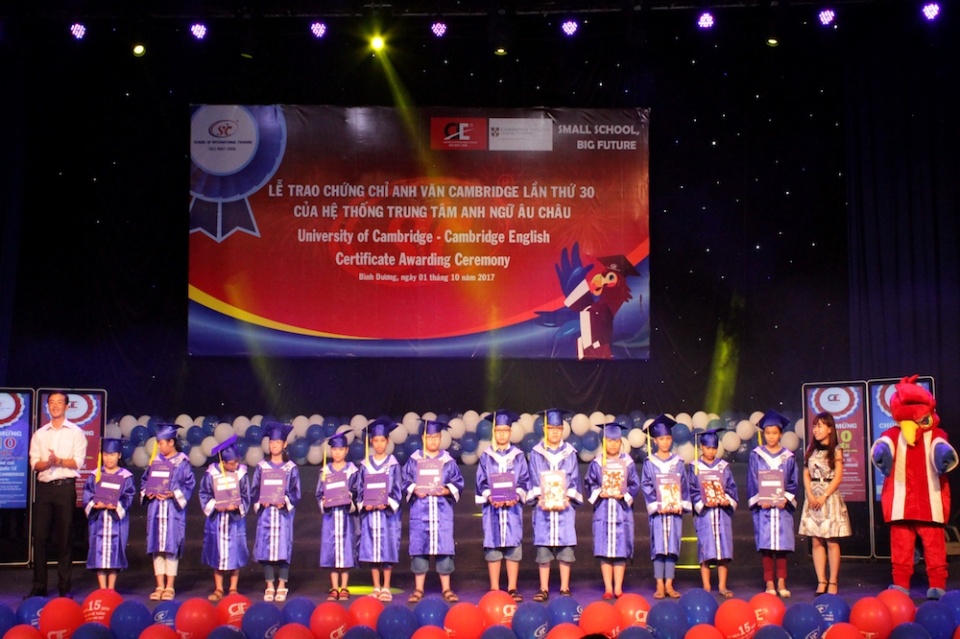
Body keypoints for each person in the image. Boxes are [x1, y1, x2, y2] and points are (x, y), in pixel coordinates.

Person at [871, 374, 957, 600]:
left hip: (929, 501)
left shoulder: (935, 434)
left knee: (934, 545)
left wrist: (943, 456)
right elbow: (883, 446)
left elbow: (941, 447)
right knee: (901, 545)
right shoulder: (893, 434)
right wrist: (881, 454)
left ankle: (937, 584)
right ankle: (901, 584)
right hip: (901, 502)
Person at [28, 390, 89, 598]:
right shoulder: (40, 434)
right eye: (51, 402)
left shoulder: (75, 432)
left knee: (64, 538)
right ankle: (39, 586)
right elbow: (35, 464)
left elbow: (78, 462)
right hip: (45, 489)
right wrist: (47, 463)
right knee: (40, 538)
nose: (55, 406)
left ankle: (64, 588)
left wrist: (59, 461)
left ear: (66, 406)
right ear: (48, 407)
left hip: (65, 488)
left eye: (59, 402)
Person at [403, 420, 465, 604]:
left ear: (440, 438)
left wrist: (446, 490)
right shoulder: (414, 460)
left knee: (444, 549)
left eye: (436, 437)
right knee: (419, 549)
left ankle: (446, 588)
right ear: (423, 438)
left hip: (441, 513)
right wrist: (415, 489)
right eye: (429, 437)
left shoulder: (448, 461)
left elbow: (458, 483)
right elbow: (405, 480)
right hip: (420, 512)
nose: (433, 440)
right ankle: (418, 589)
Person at [527, 409, 582, 602]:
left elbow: (574, 479)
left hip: (565, 509)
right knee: (543, 550)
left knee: (566, 549)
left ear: (563, 430)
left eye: (558, 428)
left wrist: (567, 497)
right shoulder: (537, 453)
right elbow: (533, 477)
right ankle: (543, 588)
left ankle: (564, 587)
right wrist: (541, 497)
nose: (555, 432)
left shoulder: (570, 453)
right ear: (545, 429)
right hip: (543, 508)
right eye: (551, 428)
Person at [475, 410, 530, 602]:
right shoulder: (486, 456)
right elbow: (481, 481)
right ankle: (495, 588)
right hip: (493, 509)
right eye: (498, 431)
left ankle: (512, 587)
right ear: (494, 432)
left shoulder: (518, 456)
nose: (502, 434)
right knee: (493, 546)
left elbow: (524, 479)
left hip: (513, 509)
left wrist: (517, 494)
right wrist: (490, 496)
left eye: (505, 431)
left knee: (513, 546)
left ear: (510, 432)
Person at [584, 423, 640, 599]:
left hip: (622, 511)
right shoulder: (597, 462)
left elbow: (634, 484)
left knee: (620, 549)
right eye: (609, 440)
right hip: (603, 509)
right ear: (604, 442)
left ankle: (618, 588)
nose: (613, 444)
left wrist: (624, 494)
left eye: (616, 441)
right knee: (604, 550)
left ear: (621, 442)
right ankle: (608, 588)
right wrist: (599, 492)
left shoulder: (628, 462)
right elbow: (589, 483)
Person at [747, 410, 799, 598]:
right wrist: (761, 499)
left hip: (782, 508)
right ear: (763, 434)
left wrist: (785, 498)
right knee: (767, 548)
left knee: (782, 547)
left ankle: (782, 583)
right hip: (764, 509)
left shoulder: (788, 456)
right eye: (767, 433)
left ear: (781, 434)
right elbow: (752, 479)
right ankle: (769, 583)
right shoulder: (756, 455)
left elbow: (793, 481)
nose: (771, 436)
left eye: (774, 433)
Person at [798, 412, 851, 595]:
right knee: (816, 540)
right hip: (813, 495)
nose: (816, 429)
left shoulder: (836, 449)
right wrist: (810, 494)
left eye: (820, 426)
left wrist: (824, 496)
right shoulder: (811, 449)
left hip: (829, 497)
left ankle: (833, 581)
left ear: (830, 429)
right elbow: (806, 473)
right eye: (815, 426)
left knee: (831, 541)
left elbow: (838, 477)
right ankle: (821, 580)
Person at [143, 424, 196, 601]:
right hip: (156, 509)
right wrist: (148, 493)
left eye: (161, 443)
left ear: (171, 442)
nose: (159, 446)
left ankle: (170, 586)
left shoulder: (182, 462)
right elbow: (145, 482)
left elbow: (189, 484)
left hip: (173, 511)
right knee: (157, 548)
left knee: (171, 547)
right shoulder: (155, 461)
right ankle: (159, 585)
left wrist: (174, 494)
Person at [640, 414, 690, 599]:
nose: (665, 442)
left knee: (672, 547)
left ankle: (669, 583)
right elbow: (646, 485)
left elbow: (683, 485)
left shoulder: (678, 462)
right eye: (661, 439)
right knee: (659, 547)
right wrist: (656, 505)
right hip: (658, 514)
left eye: (668, 438)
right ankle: (659, 584)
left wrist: (680, 504)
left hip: (674, 513)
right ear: (655, 440)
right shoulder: (649, 463)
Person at [251, 422, 301, 602]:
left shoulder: (291, 468)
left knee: (283, 549)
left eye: (278, 442)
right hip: (266, 514)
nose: (274, 445)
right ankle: (269, 585)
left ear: (284, 444)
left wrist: (285, 501)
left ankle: (282, 584)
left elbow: (296, 492)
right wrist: (260, 501)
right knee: (265, 549)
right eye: (272, 442)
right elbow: (254, 490)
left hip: (283, 516)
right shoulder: (261, 467)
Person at [688, 428, 738, 597]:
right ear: (701, 447)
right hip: (705, 516)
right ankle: (707, 586)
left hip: (722, 514)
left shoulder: (723, 467)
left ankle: (722, 586)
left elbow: (731, 488)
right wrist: (703, 502)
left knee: (723, 551)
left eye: (714, 448)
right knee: (706, 551)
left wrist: (727, 500)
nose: (711, 451)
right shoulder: (695, 467)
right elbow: (692, 489)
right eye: (708, 448)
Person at [358, 418, 403, 602]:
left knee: (387, 547)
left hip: (387, 516)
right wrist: (364, 503)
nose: (379, 444)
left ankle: (386, 586)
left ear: (387, 441)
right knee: (372, 550)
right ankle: (376, 586)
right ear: (371, 442)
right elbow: (360, 489)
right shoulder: (365, 465)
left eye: (382, 440)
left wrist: (388, 502)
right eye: (375, 441)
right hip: (370, 514)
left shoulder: (393, 464)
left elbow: (398, 489)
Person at [200, 436, 250, 601]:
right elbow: (204, 494)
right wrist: (216, 505)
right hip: (217, 521)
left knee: (235, 553)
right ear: (223, 462)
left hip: (234, 521)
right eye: (231, 463)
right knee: (217, 553)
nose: (235, 466)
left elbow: (246, 495)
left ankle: (234, 588)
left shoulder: (241, 473)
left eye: (236, 462)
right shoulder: (211, 474)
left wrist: (236, 506)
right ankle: (219, 588)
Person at [82, 438, 136, 590]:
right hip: (98, 520)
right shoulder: (95, 475)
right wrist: (95, 504)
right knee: (98, 551)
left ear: (119, 455)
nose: (108, 458)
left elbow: (128, 496)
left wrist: (116, 505)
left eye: (112, 455)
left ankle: (111, 589)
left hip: (116, 522)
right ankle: (102, 588)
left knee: (115, 552)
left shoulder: (126, 476)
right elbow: (87, 495)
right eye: (105, 455)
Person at [316, 432, 360, 602]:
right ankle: (334, 587)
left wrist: (349, 498)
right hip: (331, 518)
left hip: (347, 518)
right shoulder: (325, 471)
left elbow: (357, 492)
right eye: (334, 449)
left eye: (341, 449)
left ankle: (344, 586)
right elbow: (319, 493)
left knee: (346, 550)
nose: (337, 452)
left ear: (346, 450)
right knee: (331, 551)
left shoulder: (352, 471)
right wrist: (323, 501)